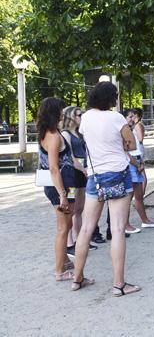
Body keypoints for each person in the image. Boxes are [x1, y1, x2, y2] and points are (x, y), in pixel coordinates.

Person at [73, 81, 140, 295]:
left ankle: (77, 278)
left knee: (86, 228)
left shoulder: (85, 118)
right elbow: (132, 144)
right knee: (118, 229)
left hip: (95, 175)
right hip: (117, 172)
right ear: (110, 98)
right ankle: (119, 284)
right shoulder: (116, 118)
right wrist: (120, 144)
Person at [39, 98, 76, 282]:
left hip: (63, 185)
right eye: (61, 110)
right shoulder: (53, 136)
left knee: (66, 226)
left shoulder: (51, 132)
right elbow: (54, 168)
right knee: (63, 228)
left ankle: (65, 260)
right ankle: (59, 271)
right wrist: (63, 194)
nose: (63, 112)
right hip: (60, 187)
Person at [60, 106, 92, 256]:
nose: (82, 117)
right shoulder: (65, 134)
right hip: (73, 174)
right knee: (71, 210)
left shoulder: (80, 134)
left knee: (79, 209)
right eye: (79, 115)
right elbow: (70, 158)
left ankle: (81, 240)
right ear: (71, 117)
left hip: (82, 173)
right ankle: (69, 243)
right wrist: (83, 169)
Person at [125, 109, 154, 230]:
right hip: (131, 163)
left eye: (132, 116)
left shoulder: (132, 128)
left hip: (137, 160)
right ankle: (126, 224)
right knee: (128, 196)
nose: (132, 118)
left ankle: (145, 220)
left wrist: (141, 162)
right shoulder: (124, 131)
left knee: (139, 195)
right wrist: (137, 164)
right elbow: (125, 152)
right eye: (129, 116)